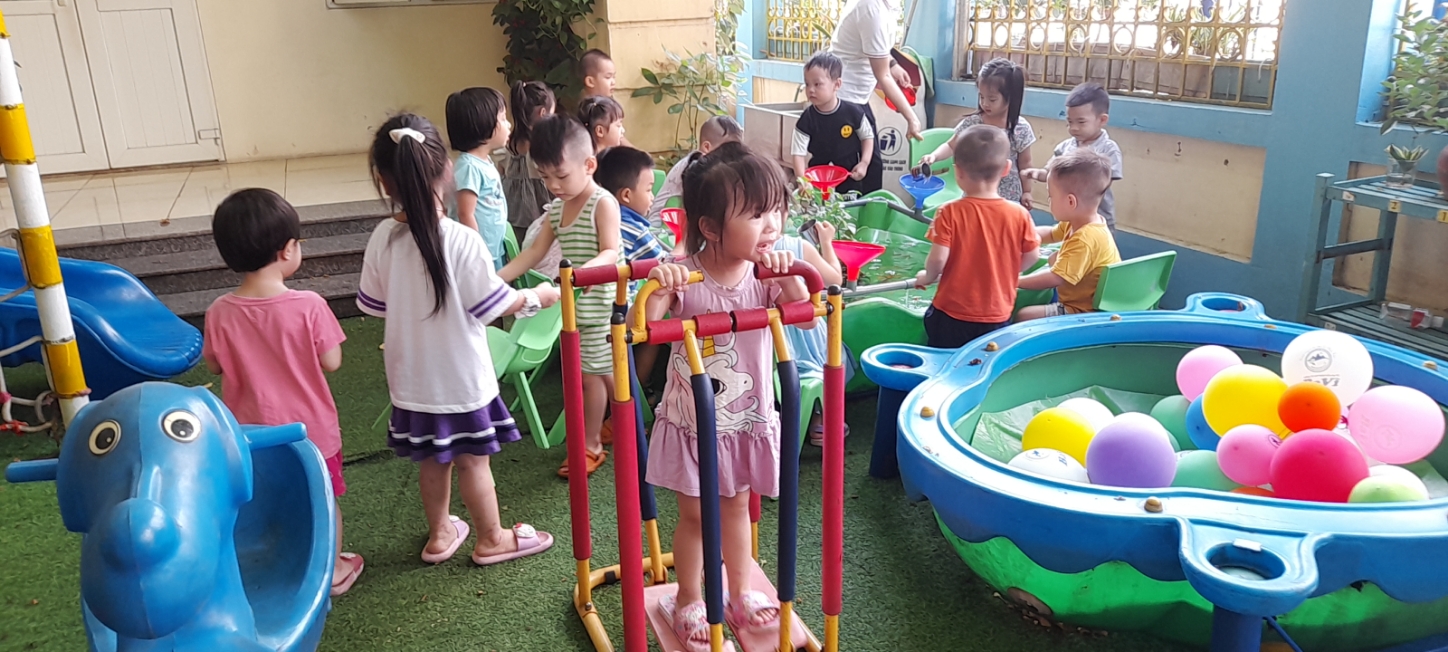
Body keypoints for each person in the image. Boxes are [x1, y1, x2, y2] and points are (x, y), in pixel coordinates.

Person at [356, 114, 562, 566]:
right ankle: (492, 538)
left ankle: (440, 534)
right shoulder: (463, 240)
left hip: (412, 381)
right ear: (446, 170)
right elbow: (493, 307)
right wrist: (537, 297)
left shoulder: (383, 238)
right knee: (473, 461)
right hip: (462, 379)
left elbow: (374, 305)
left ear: (383, 180)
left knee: (433, 460)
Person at [634, 145, 816, 651]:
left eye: (776, 209)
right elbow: (644, 326)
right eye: (756, 214)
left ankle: (739, 593)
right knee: (696, 516)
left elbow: (806, 314)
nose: (772, 224)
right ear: (711, 228)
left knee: (737, 508)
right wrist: (660, 284)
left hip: (744, 420)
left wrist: (787, 276)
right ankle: (689, 598)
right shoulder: (687, 274)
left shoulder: (766, 274)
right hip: (694, 425)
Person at [204, 188, 363, 596]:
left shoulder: (219, 311)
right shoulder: (309, 304)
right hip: (311, 434)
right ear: (287, 249)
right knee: (322, 501)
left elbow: (215, 365)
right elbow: (332, 361)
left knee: (269, 502)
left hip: (250, 437)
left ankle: (281, 565)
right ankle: (333, 570)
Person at [499, 116, 620, 478]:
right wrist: (495, 280)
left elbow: (611, 251)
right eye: (545, 177)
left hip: (600, 307)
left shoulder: (602, 203)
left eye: (561, 176)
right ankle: (623, 425)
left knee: (593, 377)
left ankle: (593, 444)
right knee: (597, 374)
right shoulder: (556, 209)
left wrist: (582, 275)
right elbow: (534, 253)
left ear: (589, 165)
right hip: (573, 305)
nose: (553, 185)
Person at [914, 125, 1041, 349]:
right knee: (985, 361)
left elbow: (938, 260)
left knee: (946, 362)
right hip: (997, 314)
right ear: (1006, 168)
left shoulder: (949, 212)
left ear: (958, 171)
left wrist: (927, 276)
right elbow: (1033, 255)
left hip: (952, 313)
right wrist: (1006, 270)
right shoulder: (1019, 214)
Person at [773, 218, 856, 444]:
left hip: (768, 341)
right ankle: (821, 417)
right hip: (803, 334)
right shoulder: (798, 247)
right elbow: (834, 281)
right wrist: (826, 243)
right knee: (835, 353)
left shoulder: (734, 252)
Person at [596, 145, 672, 387]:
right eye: (649, 190)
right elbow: (668, 262)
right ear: (626, 195)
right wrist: (683, 242)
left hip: (592, 311)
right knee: (658, 324)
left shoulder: (600, 216)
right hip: (617, 315)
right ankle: (636, 385)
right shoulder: (634, 230)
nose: (652, 197)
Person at [1016, 148, 1121, 321]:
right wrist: (1023, 235)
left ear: (1070, 201)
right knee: (1054, 258)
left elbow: (1055, 278)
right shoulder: (1082, 221)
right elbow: (1051, 233)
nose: (1049, 201)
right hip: (1078, 298)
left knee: (1024, 315)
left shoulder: (1085, 239)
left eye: (1051, 196)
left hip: (1083, 311)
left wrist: (1016, 281)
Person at [916, 58, 1036, 207]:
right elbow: (951, 145)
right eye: (981, 96)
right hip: (974, 193)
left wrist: (1027, 191)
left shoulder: (1021, 129)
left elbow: (1025, 164)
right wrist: (934, 156)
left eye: (992, 99)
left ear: (1011, 98)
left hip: (1008, 198)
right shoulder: (973, 123)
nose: (984, 103)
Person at [1021, 82, 1123, 231]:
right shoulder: (1065, 147)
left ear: (1102, 120)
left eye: (1081, 122)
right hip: (1069, 219)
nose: (1074, 128)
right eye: (1070, 122)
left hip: (1097, 221)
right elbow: (1050, 173)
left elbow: (1102, 184)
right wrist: (1036, 174)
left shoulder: (1108, 149)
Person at [829, 0, 921, 149]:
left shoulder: (887, 5)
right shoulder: (871, 8)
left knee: (870, 158)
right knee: (857, 160)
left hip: (857, 99)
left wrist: (893, 64)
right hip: (845, 100)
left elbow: (875, 44)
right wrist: (912, 118)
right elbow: (883, 76)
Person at [792, 51, 878, 197]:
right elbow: (798, 154)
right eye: (807, 84)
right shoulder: (806, 120)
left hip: (850, 180)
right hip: (818, 182)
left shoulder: (854, 113)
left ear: (837, 84)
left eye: (817, 84)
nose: (810, 90)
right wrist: (803, 182)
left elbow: (868, 137)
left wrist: (864, 163)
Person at [446, 87, 511, 268]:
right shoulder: (469, 167)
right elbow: (465, 213)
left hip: (493, 249)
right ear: (484, 124)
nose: (508, 125)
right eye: (503, 118)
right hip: (479, 256)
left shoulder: (484, 161)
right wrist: (477, 251)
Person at [647, 115, 743, 230]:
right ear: (706, 147)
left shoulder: (718, 166)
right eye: (727, 150)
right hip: (662, 227)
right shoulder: (695, 167)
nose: (733, 155)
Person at [501, 81, 556, 238]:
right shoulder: (544, 146)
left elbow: (501, 174)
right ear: (543, 113)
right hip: (542, 221)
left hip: (512, 220)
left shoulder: (507, 145)